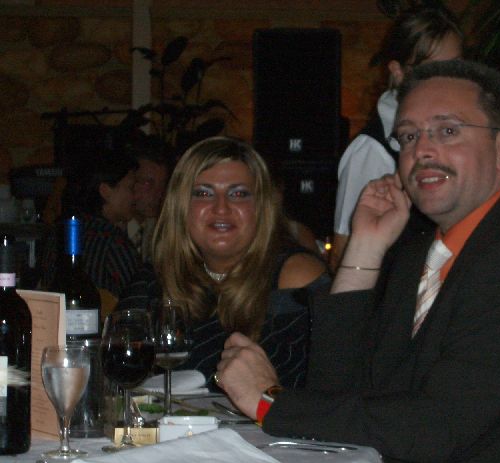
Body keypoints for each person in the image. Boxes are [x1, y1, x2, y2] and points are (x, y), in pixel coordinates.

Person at [216, 60, 500, 463]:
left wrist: (270, 402)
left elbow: (441, 427)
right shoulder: (424, 251)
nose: (422, 151)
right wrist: (366, 248)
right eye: (409, 136)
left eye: (447, 131)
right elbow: (343, 388)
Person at [118, 136, 329, 390]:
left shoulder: (295, 278)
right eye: (203, 193)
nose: (221, 208)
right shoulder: (156, 278)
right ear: (180, 206)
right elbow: (117, 372)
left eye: (238, 194)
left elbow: (326, 394)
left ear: (261, 207)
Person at [330, 4, 463, 271]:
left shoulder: (463, 132)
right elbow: (342, 256)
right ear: (398, 72)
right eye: (432, 71)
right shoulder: (373, 150)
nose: (448, 81)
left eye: (456, 67)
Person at [41, 149, 143, 298]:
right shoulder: (114, 243)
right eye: (131, 187)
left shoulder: (57, 233)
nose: (136, 196)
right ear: (105, 191)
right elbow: (137, 298)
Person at [127, 136, 173, 263]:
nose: (159, 193)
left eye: (163, 185)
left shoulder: (163, 232)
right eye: (148, 183)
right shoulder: (108, 232)